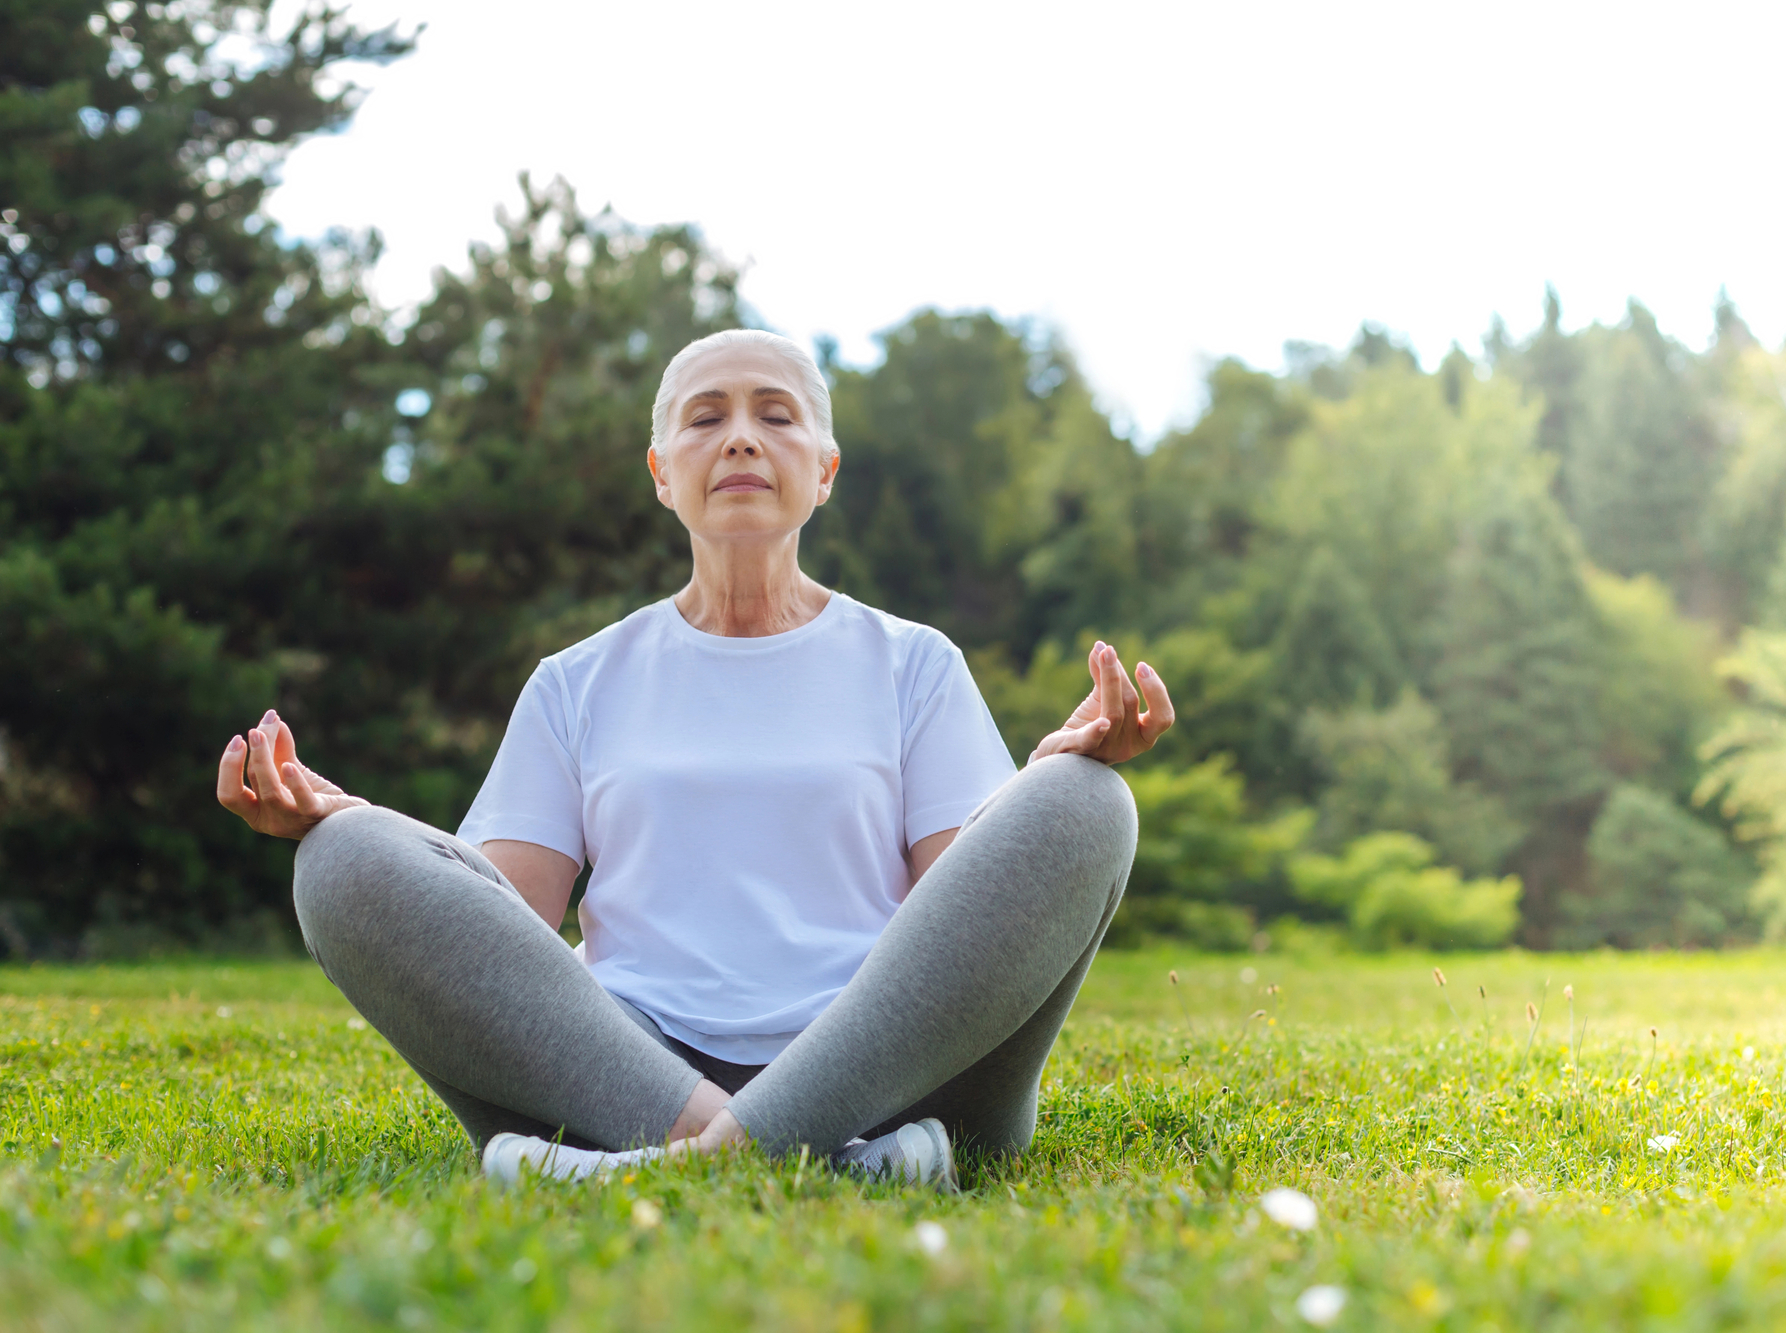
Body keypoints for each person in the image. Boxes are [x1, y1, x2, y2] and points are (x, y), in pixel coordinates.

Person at [215, 328, 1174, 1189]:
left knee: (1087, 801)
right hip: (629, 1068)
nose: (743, 437)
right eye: (706, 417)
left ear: (825, 467)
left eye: (776, 415)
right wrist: (363, 830)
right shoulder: (575, 680)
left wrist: (1037, 785)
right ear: (661, 471)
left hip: (892, 1071)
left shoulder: (913, 663)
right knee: (340, 858)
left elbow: (963, 926)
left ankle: (664, 1170)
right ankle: (821, 1165)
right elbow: (505, 928)